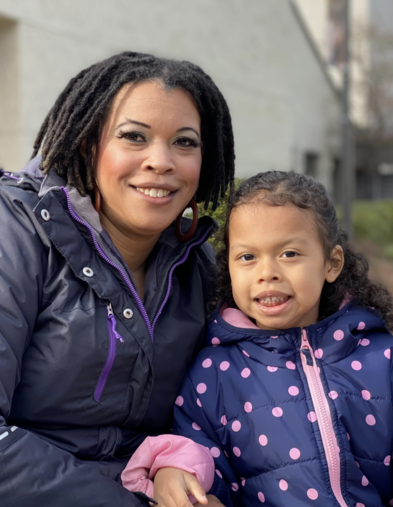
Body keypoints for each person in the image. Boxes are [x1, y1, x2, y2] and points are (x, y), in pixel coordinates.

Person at [0, 51, 235, 507]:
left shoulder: (201, 267)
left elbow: (232, 407)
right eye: (133, 136)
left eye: (185, 143)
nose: (161, 161)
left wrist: (180, 459)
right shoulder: (16, 230)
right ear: (89, 145)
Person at [122, 171, 393, 506]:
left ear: (331, 263)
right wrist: (174, 470)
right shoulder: (215, 374)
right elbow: (207, 469)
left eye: (289, 253)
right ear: (229, 269)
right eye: (247, 257)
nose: (267, 273)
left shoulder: (381, 357)